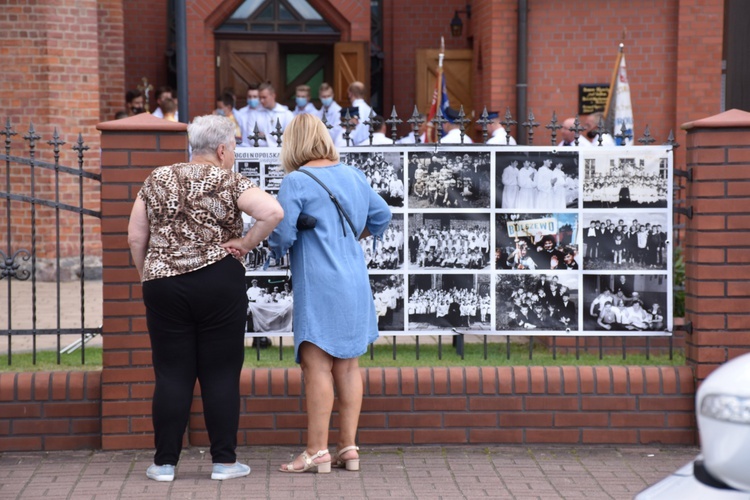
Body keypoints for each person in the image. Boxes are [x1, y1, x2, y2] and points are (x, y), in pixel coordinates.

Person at [127, 115, 283, 482]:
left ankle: (164, 464)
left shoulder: (158, 178)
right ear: (222, 149)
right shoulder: (228, 179)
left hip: (164, 284)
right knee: (221, 373)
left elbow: (136, 237)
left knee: (171, 373)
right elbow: (272, 212)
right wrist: (244, 244)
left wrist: (148, 274)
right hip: (217, 281)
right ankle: (224, 463)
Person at [263, 114, 392, 474]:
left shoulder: (295, 181)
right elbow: (382, 216)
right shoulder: (354, 175)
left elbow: (283, 235)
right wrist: (350, 238)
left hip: (320, 281)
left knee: (316, 365)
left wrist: (274, 249)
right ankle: (348, 448)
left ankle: (316, 451)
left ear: (293, 144)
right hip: (355, 279)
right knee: (349, 366)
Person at [257, 82, 294, 147]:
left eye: (264, 97)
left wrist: (265, 137)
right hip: (262, 153)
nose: (261, 101)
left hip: (282, 152)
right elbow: (252, 138)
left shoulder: (286, 114)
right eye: (260, 98)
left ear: (273, 95)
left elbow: (290, 137)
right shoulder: (256, 113)